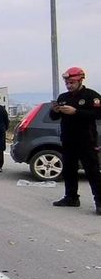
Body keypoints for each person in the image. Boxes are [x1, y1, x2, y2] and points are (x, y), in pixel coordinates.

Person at [49, 67, 101, 215]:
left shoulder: (92, 96)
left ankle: (99, 202)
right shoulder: (63, 97)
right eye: (67, 83)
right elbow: (54, 117)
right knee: (69, 170)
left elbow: (98, 114)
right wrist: (55, 110)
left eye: (72, 82)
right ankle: (71, 197)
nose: (69, 85)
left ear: (80, 80)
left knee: (92, 171)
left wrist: (76, 112)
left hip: (86, 140)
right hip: (68, 140)